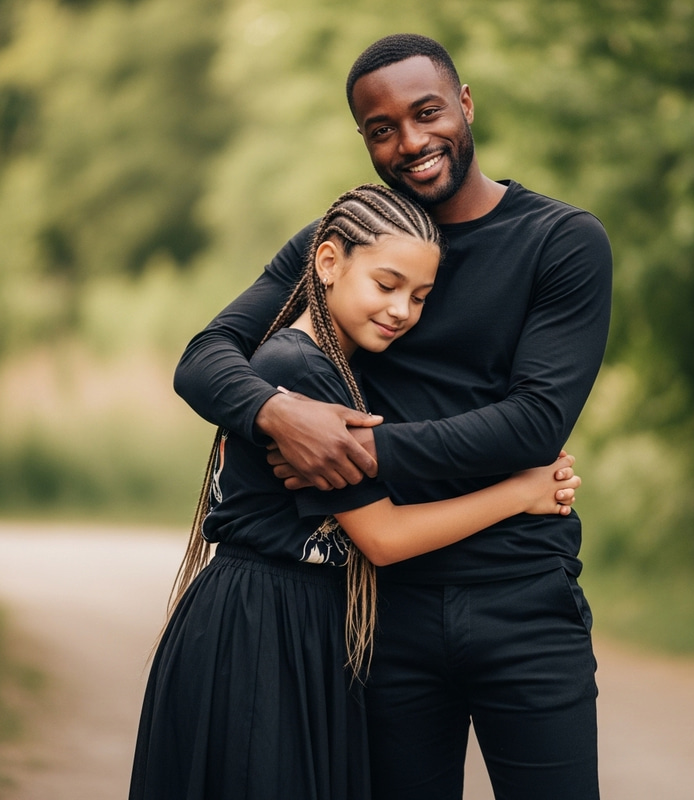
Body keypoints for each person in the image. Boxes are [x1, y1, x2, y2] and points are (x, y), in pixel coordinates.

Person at [174, 34, 613, 800]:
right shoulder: (344, 240)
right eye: (382, 129)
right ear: (365, 140)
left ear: (466, 105)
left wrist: (359, 453)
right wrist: (280, 414)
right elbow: (206, 357)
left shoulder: (561, 243)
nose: (411, 142)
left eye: (427, 112)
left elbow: (535, 424)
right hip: (377, 614)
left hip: (523, 599)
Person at [129, 183, 581, 800]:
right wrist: (522, 492)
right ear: (329, 263)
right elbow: (385, 538)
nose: (402, 310)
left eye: (420, 297)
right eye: (387, 285)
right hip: (263, 627)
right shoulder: (300, 371)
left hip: (303, 625)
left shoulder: (333, 365)